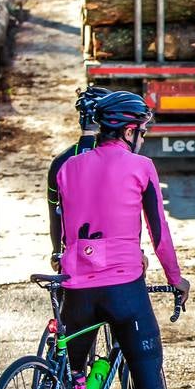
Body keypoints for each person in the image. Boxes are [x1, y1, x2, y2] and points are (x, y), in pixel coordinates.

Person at [30, 90, 195, 389]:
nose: (144, 139)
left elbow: (68, 227)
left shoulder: (67, 168)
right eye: (143, 131)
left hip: (75, 286)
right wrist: (176, 278)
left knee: (68, 372)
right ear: (130, 130)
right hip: (124, 287)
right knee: (147, 374)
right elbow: (159, 233)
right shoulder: (141, 166)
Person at [47, 86, 111, 271]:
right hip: (114, 258)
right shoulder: (118, 158)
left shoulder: (60, 161)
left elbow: (54, 211)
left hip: (73, 257)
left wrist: (56, 252)